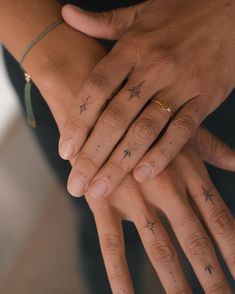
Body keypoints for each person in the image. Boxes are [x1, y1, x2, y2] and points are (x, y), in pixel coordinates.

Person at [1, 0, 234, 293]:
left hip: (214, 48)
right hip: (45, 43)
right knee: (103, 214)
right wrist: (56, 57)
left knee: (218, 209)